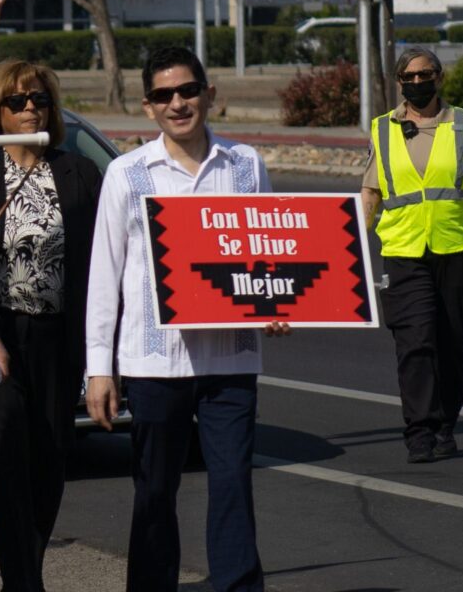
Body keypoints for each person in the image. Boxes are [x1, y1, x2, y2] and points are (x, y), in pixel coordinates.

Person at [85, 46, 289, 592]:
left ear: (208, 93)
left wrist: (276, 303)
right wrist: (98, 369)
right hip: (154, 363)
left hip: (230, 359)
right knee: (154, 492)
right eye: (163, 95)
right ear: (148, 107)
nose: (178, 103)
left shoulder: (246, 166)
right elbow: (103, 276)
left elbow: (267, 254)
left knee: (232, 486)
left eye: (187, 90)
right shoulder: (127, 175)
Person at [0, 58, 102, 592]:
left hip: (56, 337)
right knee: (2, 462)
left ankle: (29, 571)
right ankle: (24, 583)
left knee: (49, 460)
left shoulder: (78, 171)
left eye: (39, 100)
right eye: (16, 102)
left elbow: (99, 258)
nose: (29, 109)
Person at [360, 47, 463, 464]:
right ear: (399, 82)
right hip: (404, 249)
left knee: (452, 343)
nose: (417, 83)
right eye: (409, 76)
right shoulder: (383, 129)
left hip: (455, 246)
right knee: (415, 342)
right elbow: (371, 192)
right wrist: (348, 245)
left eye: (425, 75)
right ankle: (419, 431)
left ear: (439, 78)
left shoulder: (462, 124)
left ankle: (445, 424)